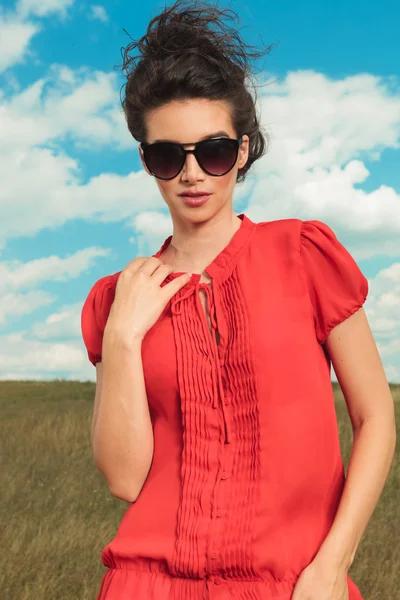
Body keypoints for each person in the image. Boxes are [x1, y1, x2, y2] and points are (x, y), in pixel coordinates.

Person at [80, 1, 396, 599]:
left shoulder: (305, 255)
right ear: (148, 162)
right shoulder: (117, 301)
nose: (193, 174)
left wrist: (332, 566)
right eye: (169, 155)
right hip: (147, 584)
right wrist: (122, 339)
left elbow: (375, 417)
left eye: (215, 151)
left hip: (295, 584)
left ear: (243, 151)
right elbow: (125, 479)